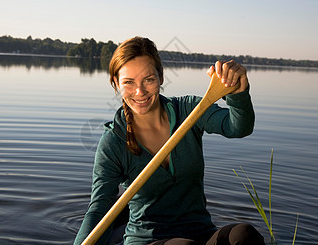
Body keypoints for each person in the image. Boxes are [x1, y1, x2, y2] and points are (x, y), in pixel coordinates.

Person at [74, 37, 264, 245]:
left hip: (201, 233)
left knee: (244, 235)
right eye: (129, 82)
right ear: (116, 83)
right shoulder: (113, 141)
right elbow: (100, 207)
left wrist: (238, 95)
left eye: (148, 79)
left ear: (161, 77)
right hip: (147, 240)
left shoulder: (189, 110)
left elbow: (238, 127)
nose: (140, 92)